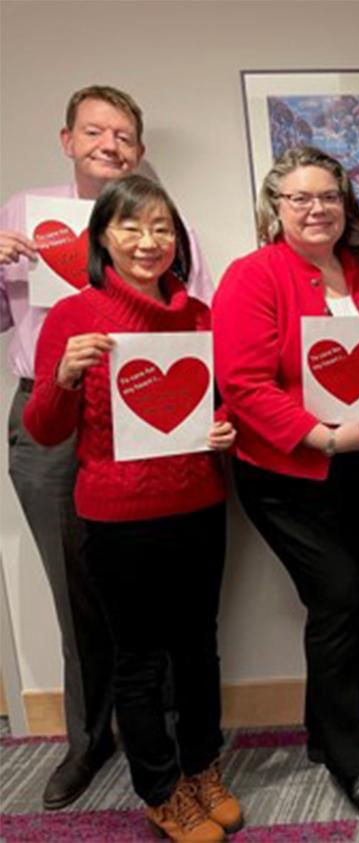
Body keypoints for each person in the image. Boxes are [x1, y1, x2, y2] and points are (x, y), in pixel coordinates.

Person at [0, 85, 214, 810]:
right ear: (67, 140)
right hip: (50, 401)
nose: (109, 143)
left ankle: (183, 752)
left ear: (139, 148)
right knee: (81, 594)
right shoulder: (21, 218)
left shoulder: (175, 235)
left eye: (123, 133)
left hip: (168, 430)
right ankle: (91, 744)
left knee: (183, 617)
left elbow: (204, 342)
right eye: (94, 130)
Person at [23, 176, 238, 843]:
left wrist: (224, 425)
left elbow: (220, 400)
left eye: (162, 229)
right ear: (103, 238)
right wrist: (61, 376)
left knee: (199, 647)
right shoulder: (73, 315)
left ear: (177, 240)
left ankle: (203, 767)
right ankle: (160, 789)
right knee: (140, 659)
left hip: (198, 503)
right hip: (118, 518)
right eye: (132, 228)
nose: (149, 242)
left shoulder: (199, 314)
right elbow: (44, 429)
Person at [212, 146, 359, 816]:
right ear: (276, 206)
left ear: (345, 203)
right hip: (289, 472)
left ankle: (329, 734)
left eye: (327, 195)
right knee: (338, 598)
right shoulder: (253, 275)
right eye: (300, 198)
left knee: (346, 604)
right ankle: (352, 760)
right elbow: (241, 383)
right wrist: (319, 433)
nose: (316, 208)